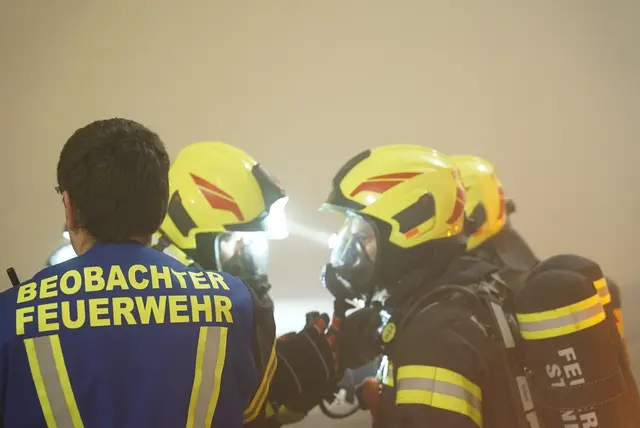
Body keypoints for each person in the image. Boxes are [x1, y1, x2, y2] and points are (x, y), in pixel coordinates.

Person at [0, 119, 278, 427]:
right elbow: (255, 413)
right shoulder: (238, 305)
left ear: (69, 207)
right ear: (161, 207)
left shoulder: (10, 315)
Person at [321, 144, 520, 427]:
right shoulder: (456, 297)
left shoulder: (433, 338)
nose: (352, 248)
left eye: (364, 234)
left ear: (410, 227)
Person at [150, 141, 341, 425]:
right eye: (233, 240)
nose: (243, 257)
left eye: (250, 243)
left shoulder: (194, 298)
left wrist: (280, 374)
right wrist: (279, 381)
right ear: (187, 229)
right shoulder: (166, 306)